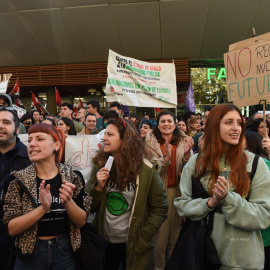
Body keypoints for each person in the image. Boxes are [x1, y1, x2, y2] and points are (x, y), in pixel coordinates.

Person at [174, 104, 270, 270]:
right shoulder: (196, 163)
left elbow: (263, 215)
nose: (236, 128)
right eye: (228, 122)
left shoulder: (255, 164)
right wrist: (208, 204)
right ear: (213, 126)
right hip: (201, 256)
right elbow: (182, 206)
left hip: (241, 261)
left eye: (239, 123)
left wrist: (228, 199)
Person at [2, 123, 91, 269]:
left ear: (56, 145)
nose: (32, 144)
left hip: (64, 252)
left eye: (40, 139)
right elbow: (11, 229)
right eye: (30, 140)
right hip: (29, 255)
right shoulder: (18, 180)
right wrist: (42, 209)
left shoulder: (72, 178)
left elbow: (81, 222)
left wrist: (68, 201)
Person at [86, 118, 168, 270]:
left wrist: (143, 235)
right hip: (104, 243)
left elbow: (160, 208)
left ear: (125, 139)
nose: (104, 138)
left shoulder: (146, 169)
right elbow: (88, 207)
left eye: (110, 134)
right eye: (105, 134)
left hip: (132, 245)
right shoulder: (99, 165)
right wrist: (98, 187)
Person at [145, 111, 193, 270]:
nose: (166, 124)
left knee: (175, 238)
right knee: (159, 241)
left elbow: (190, 172)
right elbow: (150, 172)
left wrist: (186, 155)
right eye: (162, 121)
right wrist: (164, 160)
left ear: (175, 123)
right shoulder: (148, 144)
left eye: (169, 121)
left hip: (178, 194)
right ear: (157, 125)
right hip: (159, 195)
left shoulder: (184, 141)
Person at [0, 107, 31, 270]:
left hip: (18, 239)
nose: (0, 126)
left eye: (6, 122)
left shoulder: (31, 159)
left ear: (17, 129)